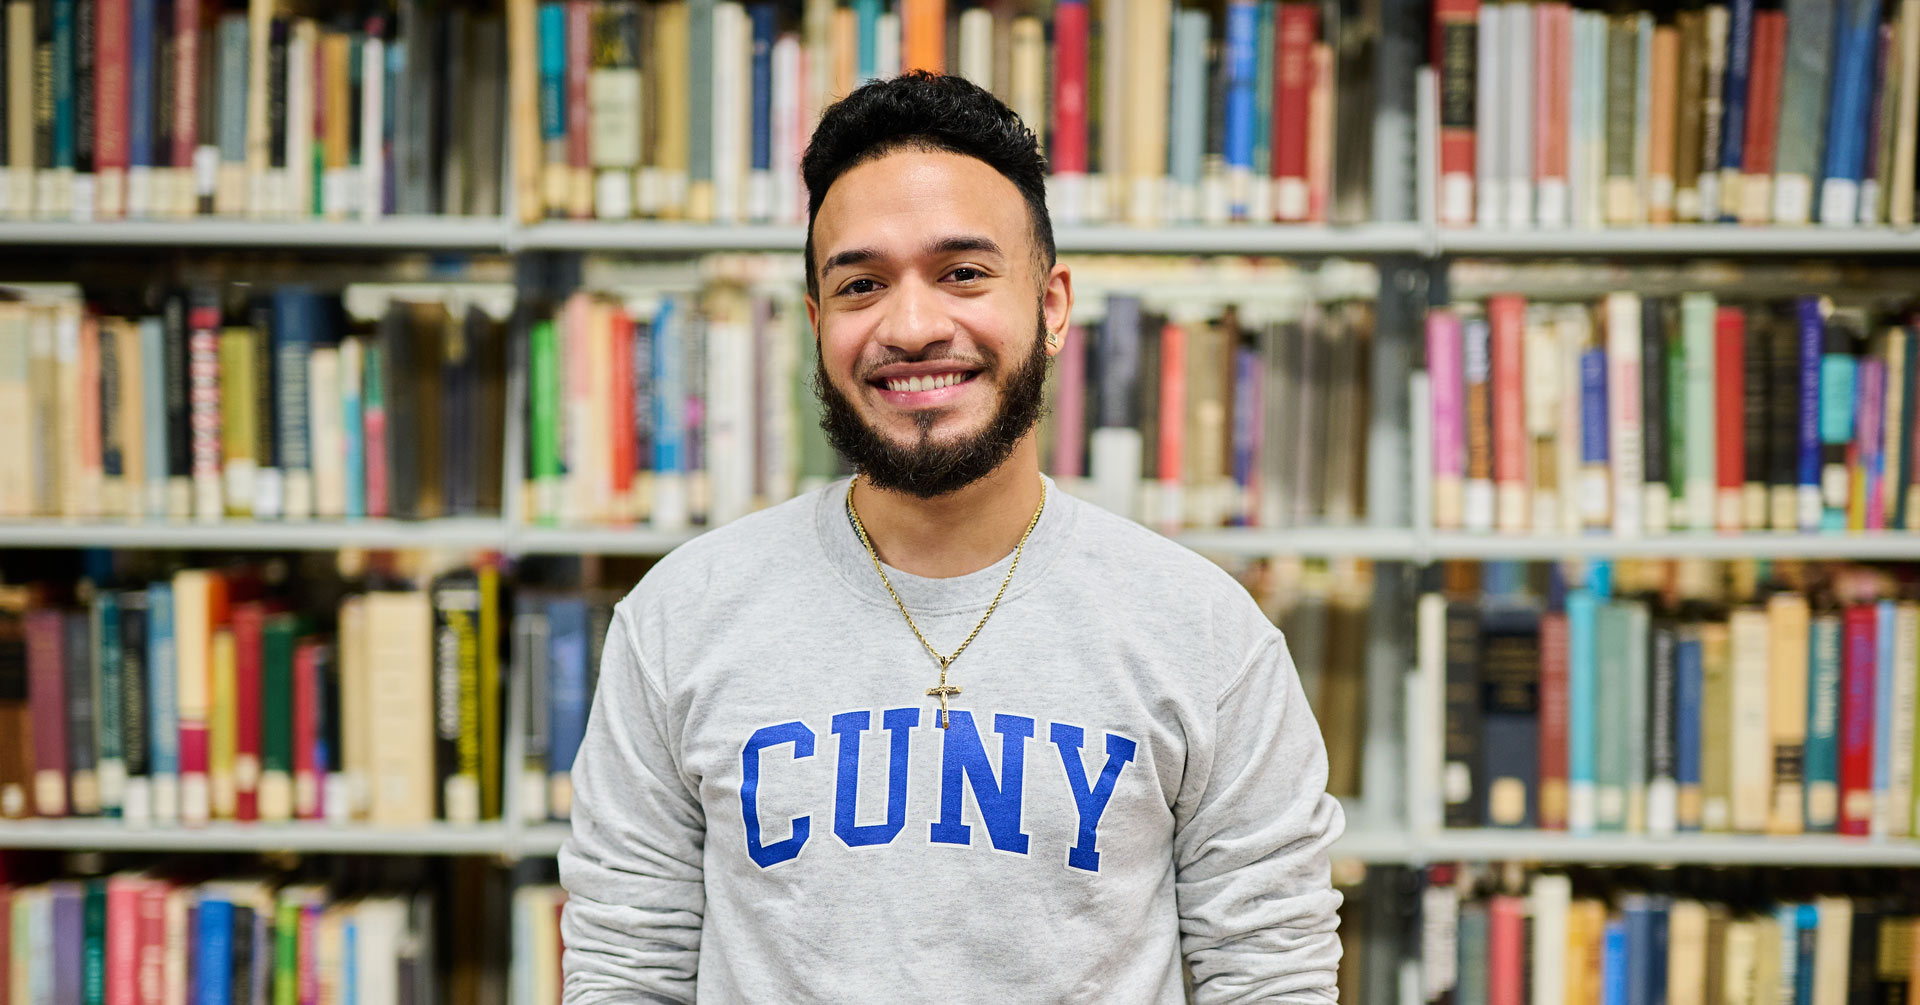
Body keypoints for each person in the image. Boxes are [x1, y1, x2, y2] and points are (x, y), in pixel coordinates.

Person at [558, 71, 1345, 1004]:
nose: (914, 325)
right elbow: (625, 970)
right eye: (861, 284)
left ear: (1051, 306)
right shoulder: (678, 618)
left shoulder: (1206, 632)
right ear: (818, 325)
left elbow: (1269, 975)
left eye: (964, 273)